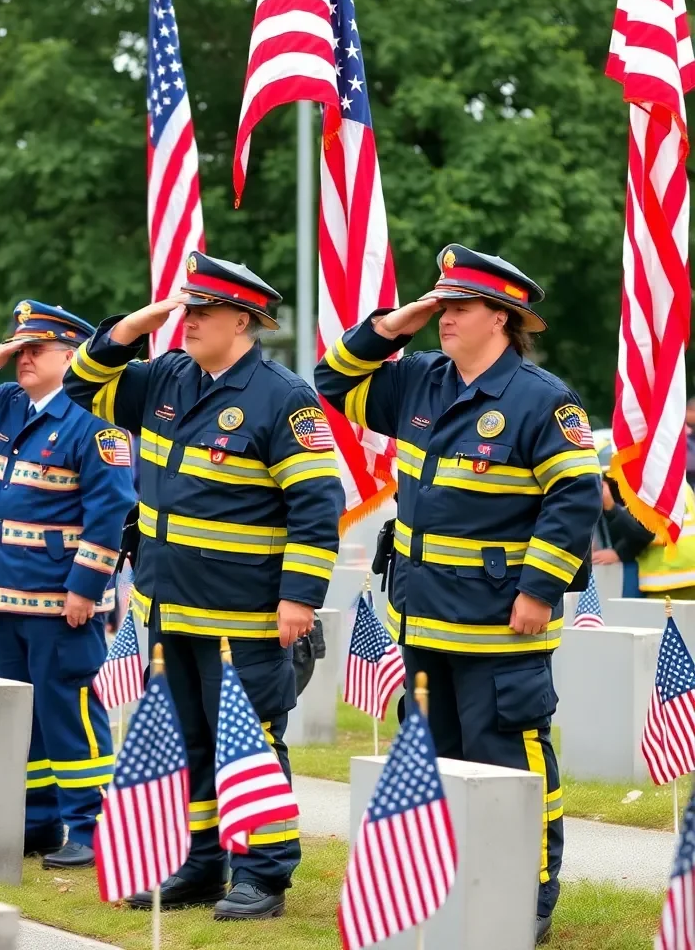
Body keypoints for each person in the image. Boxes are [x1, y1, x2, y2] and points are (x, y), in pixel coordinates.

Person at [314, 244, 602, 945]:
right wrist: (399, 320)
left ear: (502, 319)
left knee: (510, 760)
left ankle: (527, 897)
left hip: (500, 623)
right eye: (440, 305)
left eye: (460, 307)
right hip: (421, 617)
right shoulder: (418, 380)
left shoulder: (543, 401)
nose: (445, 318)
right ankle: (443, 890)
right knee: (435, 765)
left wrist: (539, 590)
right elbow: (331, 376)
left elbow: (574, 498)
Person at [64, 252, 344, 919]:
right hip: (171, 606)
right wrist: (134, 325)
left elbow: (316, 502)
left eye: (203, 312)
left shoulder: (283, 397)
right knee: (189, 738)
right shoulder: (166, 376)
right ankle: (202, 860)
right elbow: (82, 387)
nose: (187, 323)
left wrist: (299, 596)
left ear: (243, 320)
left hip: (243, 615)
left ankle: (264, 874)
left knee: (249, 741)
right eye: (184, 310)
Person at [0, 301, 135, 869]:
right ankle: (39, 821)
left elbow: (110, 511)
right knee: (24, 714)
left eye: (36, 348)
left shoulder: (94, 421)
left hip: (61, 599)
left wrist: (87, 588)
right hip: (4, 593)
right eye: (19, 348)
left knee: (68, 710)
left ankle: (90, 827)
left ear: (73, 356)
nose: (24, 358)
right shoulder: (7, 406)